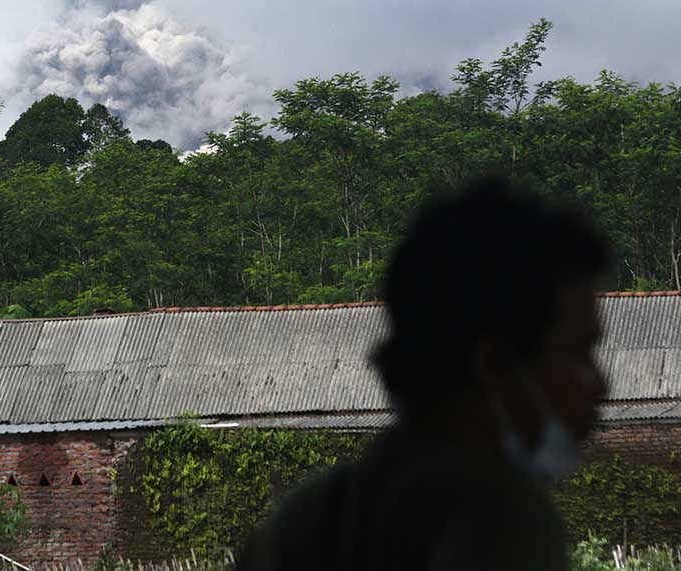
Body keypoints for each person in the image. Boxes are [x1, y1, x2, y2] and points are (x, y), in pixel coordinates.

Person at [236, 177, 611, 571]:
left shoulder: (299, 524)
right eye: (580, 352)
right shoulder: (501, 521)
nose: (601, 384)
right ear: (495, 363)